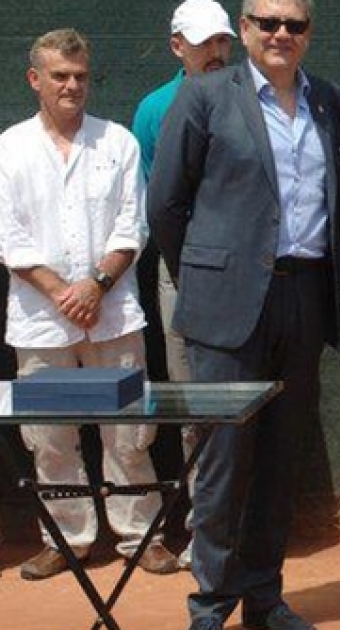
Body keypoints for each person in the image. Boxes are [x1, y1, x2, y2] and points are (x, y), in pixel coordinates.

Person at [147, 0, 340, 628]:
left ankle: (263, 596)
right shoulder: (206, 95)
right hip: (226, 304)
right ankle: (210, 604)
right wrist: (208, 278)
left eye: (295, 24)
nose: (282, 33)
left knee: (280, 458)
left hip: (305, 296)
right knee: (222, 461)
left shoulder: (330, 100)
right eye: (269, 22)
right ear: (245, 29)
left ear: (309, 34)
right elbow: (165, 205)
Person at [0, 28, 178, 580]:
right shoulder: (9, 148)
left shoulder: (118, 142)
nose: (72, 85)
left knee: (127, 433)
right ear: (36, 80)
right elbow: (8, 236)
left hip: (113, 317)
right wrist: (59, 292)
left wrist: (96, 285)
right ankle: (67, 540)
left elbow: (133, 225)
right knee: (50, 438)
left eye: (79, 76)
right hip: (39, 324)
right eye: (60, 76)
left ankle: (139, 536)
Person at [131, 0, 236, 571]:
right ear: (178, 47)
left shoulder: (253, 95)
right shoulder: (153, 110)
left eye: (222, 41)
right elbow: (156, 202)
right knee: (195, 406)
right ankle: (205, 530)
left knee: (247, 404)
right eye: (203, 44)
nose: (216, 53)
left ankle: (244, 529)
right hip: (181, 278)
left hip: (247, 281)